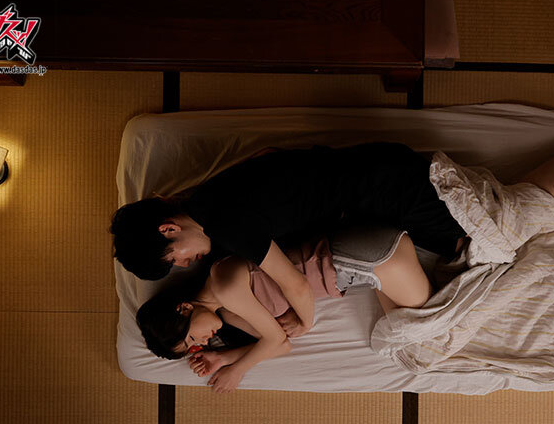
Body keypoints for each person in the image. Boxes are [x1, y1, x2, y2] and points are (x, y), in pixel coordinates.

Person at [112, 142, 470, 339]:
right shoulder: (207, 197)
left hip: (388, 191)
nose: (185, 264)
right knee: (449, 273)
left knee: (471, 246)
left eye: (175, 258)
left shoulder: (224, 225)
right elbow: (267, 153)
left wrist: (304, 324)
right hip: (375, 185)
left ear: (169, 229)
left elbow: (295, 285)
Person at [136, 226, 432, 393]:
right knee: (406, 346)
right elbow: (281, 345)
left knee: (425, 346)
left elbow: (276, 337)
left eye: (192, 338)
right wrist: (222, 358)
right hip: (362, 276)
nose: (202, 342)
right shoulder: (228, 313)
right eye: (195, 347)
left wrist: (237, 370)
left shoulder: (224, 282)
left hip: (357, 257)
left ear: (183, 308)